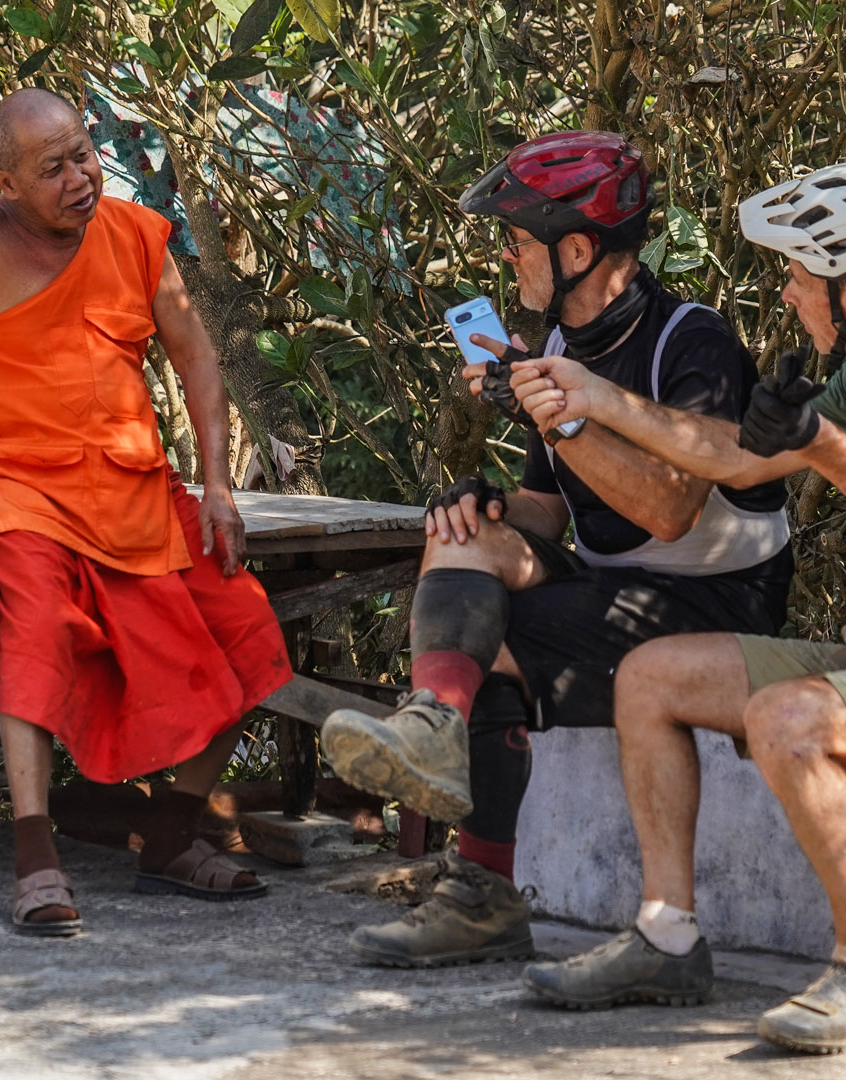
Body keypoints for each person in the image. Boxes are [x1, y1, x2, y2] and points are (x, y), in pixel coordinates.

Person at [506, 161, 846, 1052]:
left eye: (801, 277)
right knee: (651, 676)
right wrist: (595, 398)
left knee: (788, 721)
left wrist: (821, 442)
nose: (787, 290)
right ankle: (666, 937)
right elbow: (730, 458)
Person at [319, 131, 794, 968]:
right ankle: (434, 722)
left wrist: (557, 417)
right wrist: (490, 503)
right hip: (615, 594)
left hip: (716, 607)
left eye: (514, 242)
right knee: (467, 541)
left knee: (494, 644)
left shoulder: (696, 340)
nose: (506, 260)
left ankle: (480, 893)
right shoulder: (557, 348)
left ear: (577, 249)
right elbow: (549, 506)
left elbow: (668, 510)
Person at [0, 87, 291, 937]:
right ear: (6, 183)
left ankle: (174, 837)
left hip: (139, 491)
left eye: (85, 154)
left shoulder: (137, 237)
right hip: (27, 492)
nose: (82, 177)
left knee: (248, 632)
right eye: (55, 168)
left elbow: (196, 356)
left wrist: (218, 483)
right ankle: (36, 855)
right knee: (36, 633)